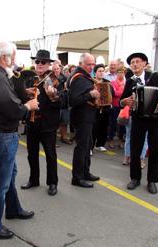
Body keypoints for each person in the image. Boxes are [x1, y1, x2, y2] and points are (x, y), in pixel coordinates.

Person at [0, 42, 38, 239]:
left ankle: (13, 209)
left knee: (9, 174)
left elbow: (4, 99)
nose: (15, 60)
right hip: (1, 136)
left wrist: (23, 95)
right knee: (1, 181)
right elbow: (12, 110)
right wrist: (29, 106)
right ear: (4, 58)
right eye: (13, 56)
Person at [120, 52, 158, 194]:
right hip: (138, 119)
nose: (134, 64)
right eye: (132, 63)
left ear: (144, 63)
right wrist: (125, 102)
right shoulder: (130, 81)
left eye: (137, 61)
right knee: (135, 149)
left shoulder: (155, 77)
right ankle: (135, 178)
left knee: (155, 150)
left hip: (156, 119)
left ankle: (152, 181)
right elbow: (122, 100)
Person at [20, 49, 63, 196]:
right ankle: (34, 179)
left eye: (43, 62)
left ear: (48, 64)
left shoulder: (56, 80)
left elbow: (64, 102)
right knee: (31, 154)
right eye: (37, 61)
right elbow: (21, 100)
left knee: (50, 154)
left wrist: (54, 96)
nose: (39, 64)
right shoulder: (30, 79)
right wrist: (25, 94)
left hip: (48, 124)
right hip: (31, 123)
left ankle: (52, 182)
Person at [68, 53, 100, 188]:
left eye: (93, 64)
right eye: (88, 64)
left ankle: (85, 172)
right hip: (82, 118)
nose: (91, 67)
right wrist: (90, 94)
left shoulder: (84, 76)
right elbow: (73, 100)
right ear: (81, 64)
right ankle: (77, 177)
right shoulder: (78, 77)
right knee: (81, 148)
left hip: (88, 117)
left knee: (88, 146)